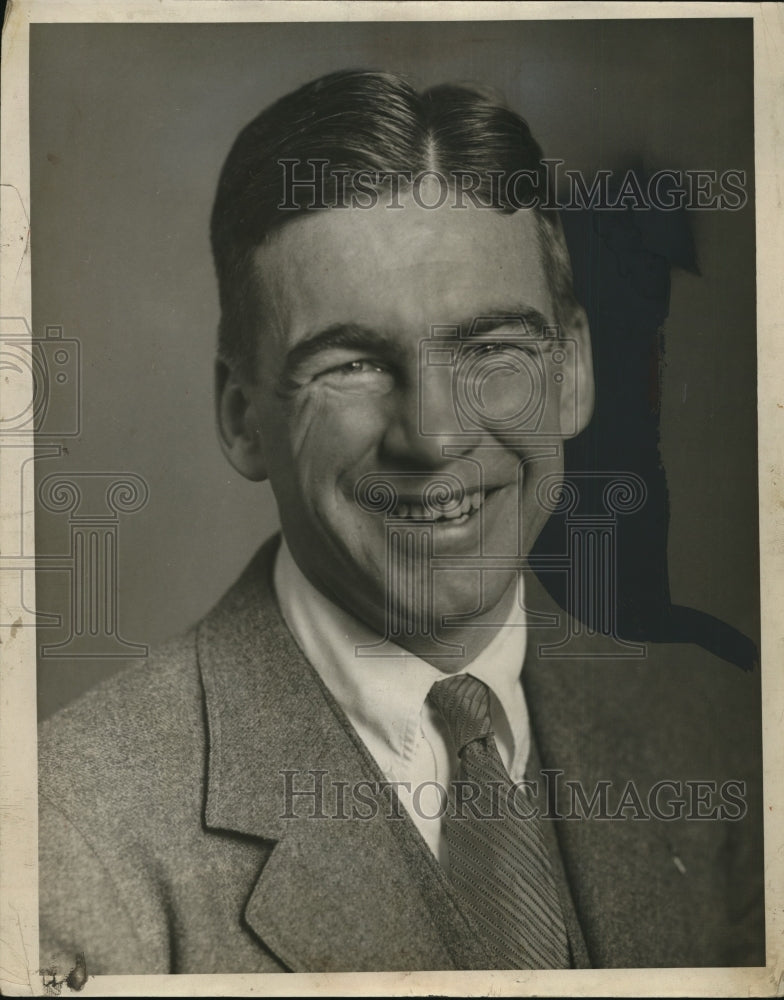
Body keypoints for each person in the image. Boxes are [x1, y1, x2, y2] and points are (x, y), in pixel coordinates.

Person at [38, 70, 764, 976]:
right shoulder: (69, 838)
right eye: (351, 364)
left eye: (492, 348)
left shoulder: (720, 740)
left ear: (572, 371)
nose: (437, 434)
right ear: (239, 415)